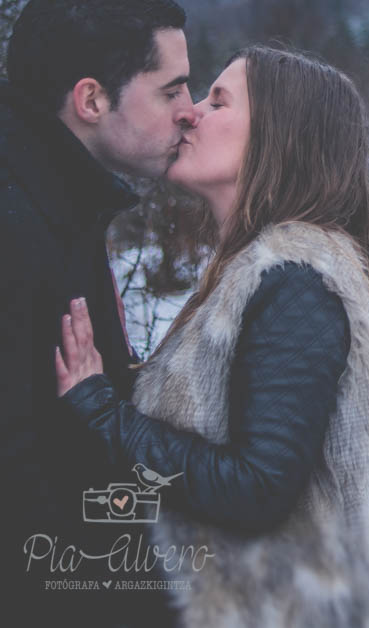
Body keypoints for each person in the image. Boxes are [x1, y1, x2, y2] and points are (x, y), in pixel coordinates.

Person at [56, 46, 369, 627]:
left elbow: (257, 490)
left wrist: (103, 414)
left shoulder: (298, 283)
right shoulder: (262, 276)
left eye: (218, 99)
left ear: (277, 137)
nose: (192, 113)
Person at [0, 0, 195, 625]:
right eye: (170, 91)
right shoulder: (19, 228)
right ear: (91, 100)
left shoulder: (60, 200)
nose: (189, 111)